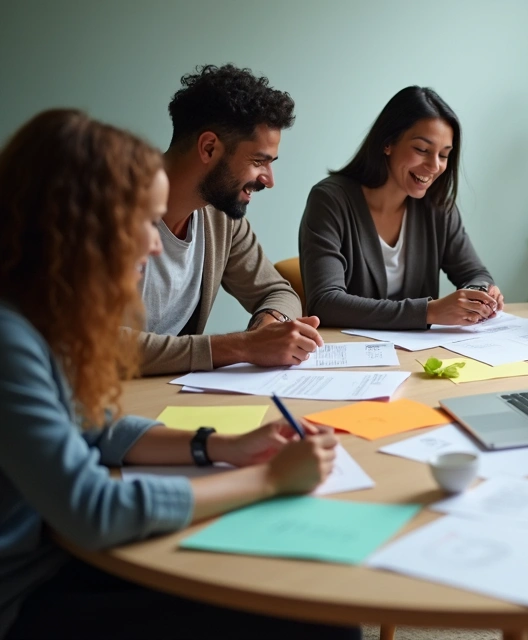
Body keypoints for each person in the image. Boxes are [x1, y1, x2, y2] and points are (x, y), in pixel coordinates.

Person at [0, 109, 358, 640]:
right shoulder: (11, 339)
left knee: (301, 592)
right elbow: (92, 509)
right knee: (318, 622)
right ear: (77, 226)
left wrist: (221, 447)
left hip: (61, 559)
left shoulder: (41, 315)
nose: (152, 243)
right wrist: (265, 478)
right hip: (28, 595)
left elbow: (94, 426)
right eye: (140, 222)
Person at [136, 64, 323, 376]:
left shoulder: (219, 217)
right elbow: (94, 343)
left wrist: (270, 326)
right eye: (258, 161)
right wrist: (244, 346)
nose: (269, 179)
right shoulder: (106, 211)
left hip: (168, 397)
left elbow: (278, 292)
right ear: (209, 148)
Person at [299, 86, 502, 329]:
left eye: (444, 155)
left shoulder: (438, 207)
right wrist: (428, 312)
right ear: (388, 143)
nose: (434, 166)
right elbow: (326, 302)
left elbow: (475, 273)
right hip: (351, 353)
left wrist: (478, 293)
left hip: (417, 355)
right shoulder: (331, 200)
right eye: (422, 150)